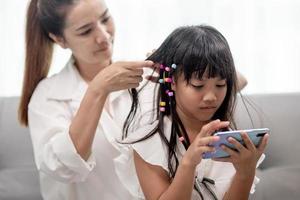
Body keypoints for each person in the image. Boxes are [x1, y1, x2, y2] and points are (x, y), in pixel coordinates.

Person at [18, 0, 154, 199]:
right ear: (59, 39)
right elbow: (63, 168)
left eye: (105, 18)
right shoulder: (48, 96)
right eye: (85, 31)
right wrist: (97, 89)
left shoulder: (144, 80)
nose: (104, 36)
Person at [118, 25, 269, 200]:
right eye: (198, 86)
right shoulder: (149, 143)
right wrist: (188, 163)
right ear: (172, 82)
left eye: (220, 85)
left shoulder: (227, 140)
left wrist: (245, 173)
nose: (211, 97)